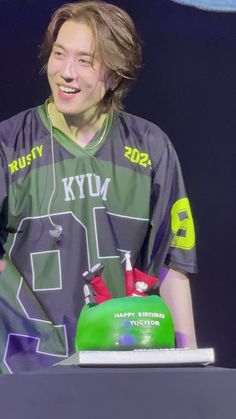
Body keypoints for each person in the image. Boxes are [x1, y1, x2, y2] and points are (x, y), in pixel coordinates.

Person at [0, 0, 197, 374]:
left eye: (85, 61)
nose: (65, 73)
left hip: (124, 370)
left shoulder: (151, 147)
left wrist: (187, 370)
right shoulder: (8, 144)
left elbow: (172, 264)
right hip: (25, 375)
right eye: (59, 55)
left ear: (116, 73)